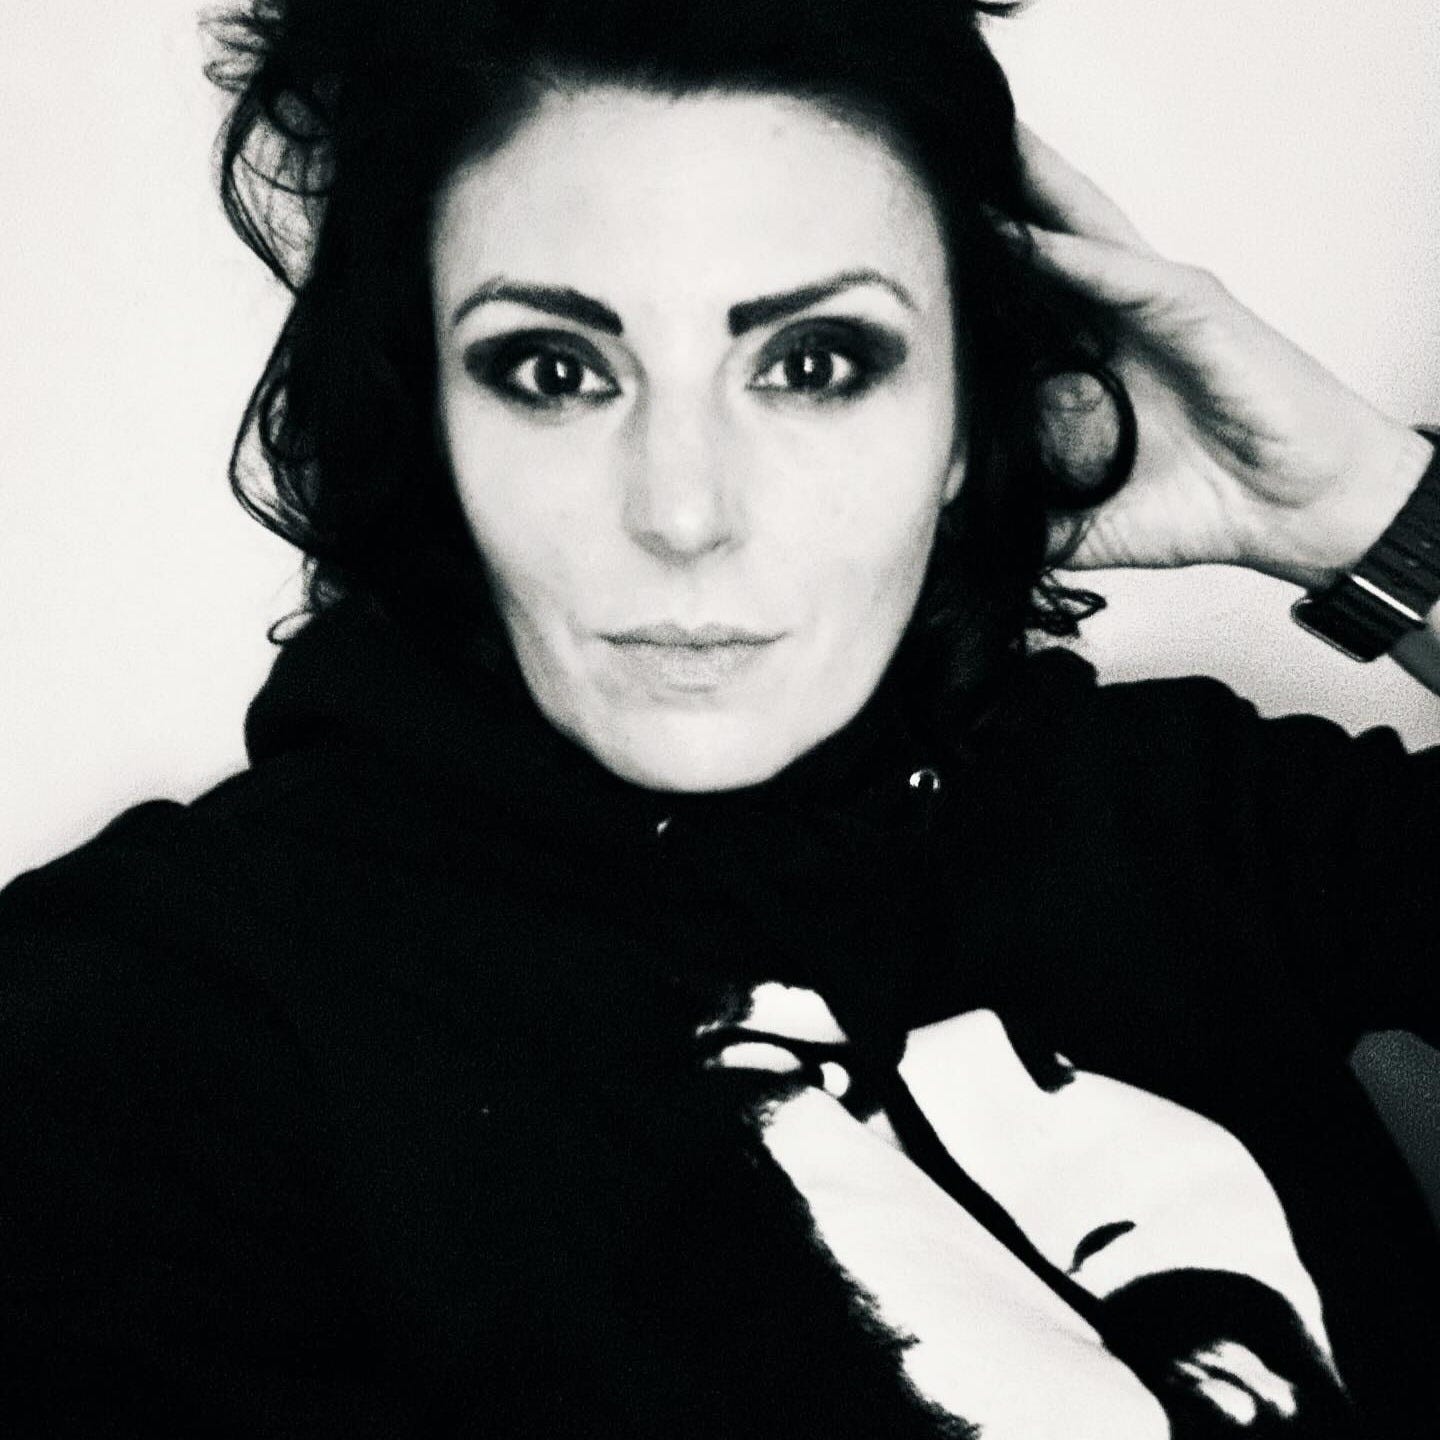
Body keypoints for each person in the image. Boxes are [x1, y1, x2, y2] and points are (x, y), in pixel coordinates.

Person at [1, 0, 1436, 1434]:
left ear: (969, 417)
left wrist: (1371, 512)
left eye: (814, 364)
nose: (683, 513)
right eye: (554, 372)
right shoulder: (149, 1024)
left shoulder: (1180, 809)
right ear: (426, 418)